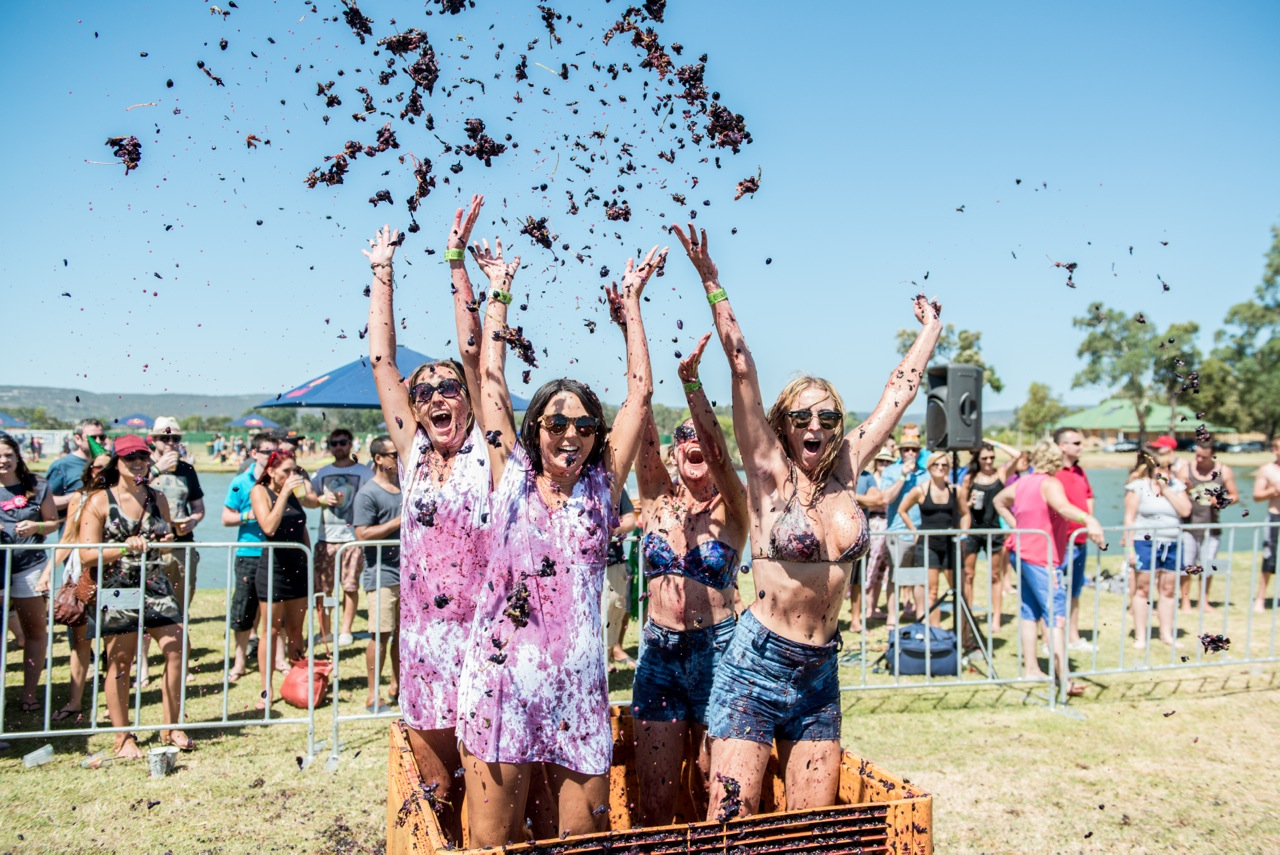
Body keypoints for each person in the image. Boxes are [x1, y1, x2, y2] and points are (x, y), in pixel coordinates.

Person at [670, 223, 941, 820]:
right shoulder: (767, 474)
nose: (815, 425)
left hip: (821, 673)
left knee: (815, 831)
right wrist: (711, 281)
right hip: (756, 666)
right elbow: (741, 365)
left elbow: (900, 392)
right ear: (783, 423)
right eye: (801, 416)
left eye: (827, 415)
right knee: (731, 829)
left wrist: (930, 333)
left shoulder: (849, 467)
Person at [455, 235, 661, 846]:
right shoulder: (509, 474)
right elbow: (488, 378)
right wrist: (498, 293)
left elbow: (640, 395)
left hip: (578, 691)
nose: (570, 434)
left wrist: (633, 307)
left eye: (584, 426)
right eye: (556, 423)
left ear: (596, 436)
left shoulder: (602, 487)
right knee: (494, 843)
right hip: (500, 686)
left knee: (583, 843)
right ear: (534, 429)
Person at [363, 199, 489, 845]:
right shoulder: (412, 455)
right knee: (437, 789)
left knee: (487, 796)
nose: (438, 395)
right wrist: (383, 271)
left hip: (483, 647)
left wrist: (454, 262)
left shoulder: (487, 455)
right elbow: (383, 361)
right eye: (426, 391)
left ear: (468, 400)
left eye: (450, 389)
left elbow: (474, 352)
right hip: (423, 646)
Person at [627, 329, 749, 828]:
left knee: (710, 791)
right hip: (658, 653)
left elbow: (720, 454)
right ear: (673, 455)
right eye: (683, 440)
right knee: (653, 795)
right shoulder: (655, 497)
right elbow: (642, 422)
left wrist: (693, 385)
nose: (692, 444)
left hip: (718, 651)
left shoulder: (735, 507)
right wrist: (629, 325)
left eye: (699, 438)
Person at [75, 435, 190, 757]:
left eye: (142, 455)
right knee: (121, 661)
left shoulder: (157, 498)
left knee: (177, 648)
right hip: (119, 588)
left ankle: (171, 727)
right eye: (129, 457)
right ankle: (122, 736)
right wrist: (126, 546)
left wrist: (167, 538)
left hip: (155, 585)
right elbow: (86, 554)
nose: (137, 461)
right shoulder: (99, 501)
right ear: (117, 463)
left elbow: (165, 543)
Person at [992, 441, 1104, 695]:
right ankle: (1064, 678)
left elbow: (999, 500)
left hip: (1022, 553)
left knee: (1029, 611)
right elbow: (1063, 507)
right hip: (1042, 559)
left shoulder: (1024, 482)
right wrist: (1090, 519)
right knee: (1056, 616)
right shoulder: (1049, 483)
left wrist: (1016, 525)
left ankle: (1031, 667)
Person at [250, 449, 319, 710]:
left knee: (296, 631)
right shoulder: (260, 492)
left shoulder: (296, 492)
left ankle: (296, 682)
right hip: (273, 569)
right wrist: (284, 495)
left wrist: (310, 562)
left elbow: (302, 526)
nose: (291, 475)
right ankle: (265, 690)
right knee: (271, 630)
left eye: (295, 470)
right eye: (285, 471)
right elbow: (268, 526)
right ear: (270, 471)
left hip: (298, 567)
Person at [0, 433, 59, 715]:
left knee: (35, 631)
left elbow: (53, 523)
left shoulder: (36, 485)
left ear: (17, 456)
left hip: (30, 566)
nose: (3, 461)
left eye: (8, 455)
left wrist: (36, 528)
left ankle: (29, 694)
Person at [50, 451, 111, 722]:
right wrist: (47, 572)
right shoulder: (79, 497)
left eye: (108, 468)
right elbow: (68, 538)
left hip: (115, 576)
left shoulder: (124, 497)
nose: (103, 472)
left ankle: (114, 702)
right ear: (89, 471)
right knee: (80, 641)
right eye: (98, 468)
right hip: (81, 574)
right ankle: (75, 701)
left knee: (116, 642)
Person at [221, 432, 284, 680]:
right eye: (267, 451)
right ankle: (239, 662)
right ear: (254, 453)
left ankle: (279, 659)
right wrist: (250, 516)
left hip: (277, 553)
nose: (272, 456)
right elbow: (226, 518)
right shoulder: (240, 481)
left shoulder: (281, 479)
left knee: (277, 611)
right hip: (249, 552)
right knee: (244, 609)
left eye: (275, 451)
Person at [1122, 446, 1192, 649]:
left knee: (1168, 590)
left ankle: (1166, 634)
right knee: (1143, 589)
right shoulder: (1138, 487)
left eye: (1169, 467)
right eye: (1161, 467)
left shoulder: (1177, 486)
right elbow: (1129, 518)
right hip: (1144, 542)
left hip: (1172, 542)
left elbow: (1185, 510)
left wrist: (1167, 489)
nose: (1166, 471)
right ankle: (1141, 636)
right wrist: (1130, 550)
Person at [352, 435, 401, 714]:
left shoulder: (406, 485)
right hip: (380, 573)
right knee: (380, 635)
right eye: (392, 454)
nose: (398, 458)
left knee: (403, 635)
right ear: (378, 459)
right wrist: (398, 520)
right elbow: (362, 534)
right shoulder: (368, 493)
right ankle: (373, 694)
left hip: (409, 574)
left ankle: (398, 687)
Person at [897, 452, 971, 634]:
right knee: (932, 592)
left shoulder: (956, 490)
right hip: (928, 544)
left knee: (959, 590)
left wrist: (963, 536)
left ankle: (963, 633)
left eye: (944, 465)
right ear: (929, 468)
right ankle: (935, 632)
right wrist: (914, 532)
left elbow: (966, 514)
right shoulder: (920, 490)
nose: (940, 468)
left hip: (950, 544)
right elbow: (902, 510)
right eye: (936, 465)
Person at [312, 427, 372, 646]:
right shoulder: (321, 473)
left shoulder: (365, 473)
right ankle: (325, 631)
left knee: (350, 586)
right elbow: (307, 499)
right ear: (329, 446)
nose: (339, 446)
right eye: (334, 443)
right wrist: (320, 499)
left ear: (351, 444)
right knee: (323, 589)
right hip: (326, 538)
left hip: (352, 540)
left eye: (343, 442)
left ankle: (346, 630)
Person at [958, 441, 1019, 633]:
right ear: (977, 459)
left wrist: (994, 443)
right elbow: (961, 508)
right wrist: (969, 502)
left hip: (994, 530)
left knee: (995, 575)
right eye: (984, 458)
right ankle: (967, 617)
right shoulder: (969, 478)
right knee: (969, 575)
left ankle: (996, 619)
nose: (988, 461)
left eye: (991, 458)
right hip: (974, 531)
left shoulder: (1000, 475)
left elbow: (1017, 455)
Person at [1172, 440, 1237, 612]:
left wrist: (1222, 500)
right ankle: (1185, 601)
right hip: (1188, 526)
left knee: (1211, 565)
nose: (1199, 459)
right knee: (1187, 565)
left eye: (1203, 457)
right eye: (1197, 455)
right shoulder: (1185, 470)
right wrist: (1184, 489)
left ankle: (1204, 601)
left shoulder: (1224, 471)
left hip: (1212, 525)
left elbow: (1235, 495)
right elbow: (1174, 495)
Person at [1051, 427, 1094, 650]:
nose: (1081, 447)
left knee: (1075, 589)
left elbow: (1088, 496)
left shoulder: (1080, 471)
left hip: (1080, 540)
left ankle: (1073, 636)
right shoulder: (1052, 473)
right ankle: (1049, 638)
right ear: (1062, 446)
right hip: (1059, 542)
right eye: (1076, 443)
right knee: (1054, 590)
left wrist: (1089, 523)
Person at [881, 436, 927, 625]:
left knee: (919, 576)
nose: (910, 453)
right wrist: (902, 475)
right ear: (899, 452)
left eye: (914, 450)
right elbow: (886, 498)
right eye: (906, 449)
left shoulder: (926, 473)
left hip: (920, 532)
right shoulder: (891, 471)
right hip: (897, 531)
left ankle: (920, 616)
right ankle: (892, 616)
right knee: (895, 576)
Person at [859, 447, 897, 623]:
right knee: (870, 567)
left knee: (882, 570)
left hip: (887, 523)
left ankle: (874, 606)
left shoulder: (890, 479)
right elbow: (877, 502)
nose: (884, 464)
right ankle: (868, 607)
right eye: (881, 461)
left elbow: (883, 501)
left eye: (888, 461)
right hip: (874, 523)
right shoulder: (872, 478)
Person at [45, 419, 108, 519]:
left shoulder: (111, 464)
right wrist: (81, 495)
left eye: (102, 437)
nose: (98, 441)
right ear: (77, 439)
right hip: (74, 530)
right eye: (92, 438)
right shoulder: (62, 465)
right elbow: (47, 502)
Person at [603, 488, 638, 668]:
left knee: (613, 613)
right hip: (576, 565)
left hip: (613, 564)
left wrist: (610, 528)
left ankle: (606, 657)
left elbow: (630, 519)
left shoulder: (613, 484)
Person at [848, 459, 884, 634]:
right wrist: (863, 500)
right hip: (835, 536)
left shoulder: (867, 477)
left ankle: (856, 620)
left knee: (858, 581)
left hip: (860, 536)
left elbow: (877, 500)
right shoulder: (836, 471)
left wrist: (849, 497)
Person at [1253, 438, 1280, 612]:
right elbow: (1256, 495)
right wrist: (1272, 491)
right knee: (1269, 558)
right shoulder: (1267, 470)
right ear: (1274, 449)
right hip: (1275, 517)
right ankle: (1260, 598)